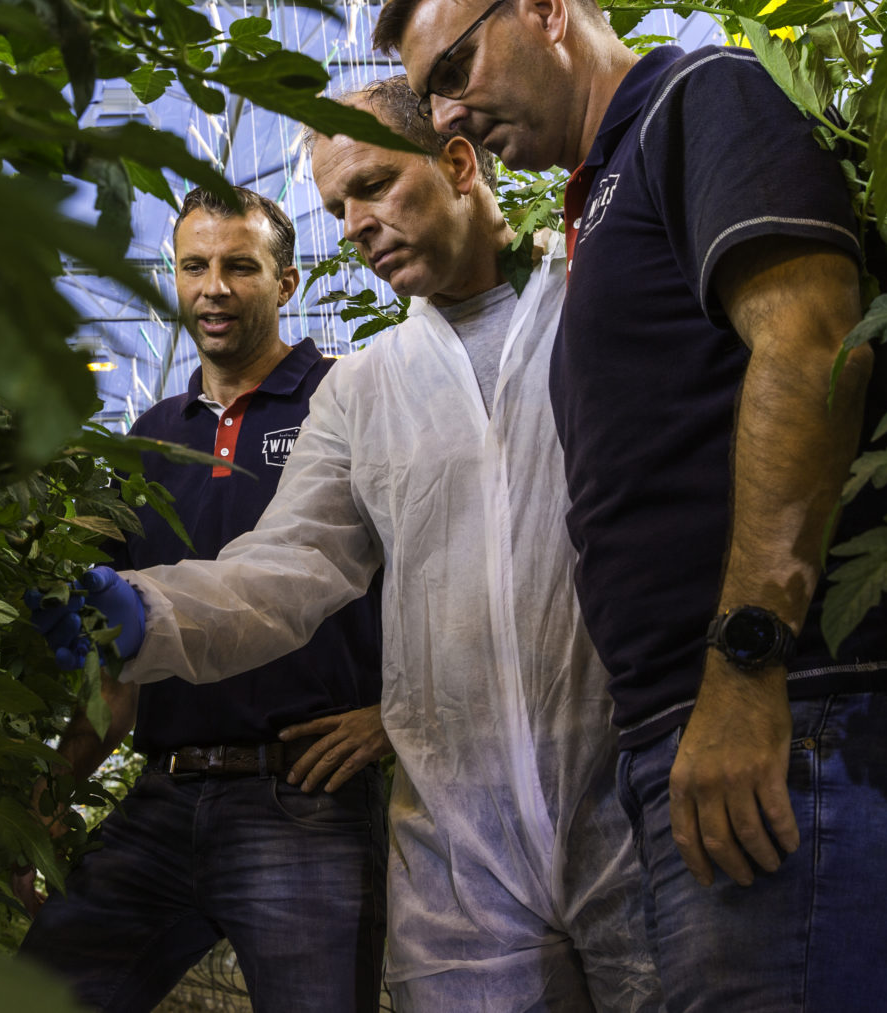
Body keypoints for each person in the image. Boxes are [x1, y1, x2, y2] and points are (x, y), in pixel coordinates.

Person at [373, 0, 887, 1013]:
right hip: (734, 732)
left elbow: (809, 342)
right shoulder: (605, 188)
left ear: (541, 8)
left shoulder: (698, 97)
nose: (446, 118)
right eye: (427, 97)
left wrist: (744, 668)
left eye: (451, 71)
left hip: (806, 720)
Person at [34, 79, 659, 1013]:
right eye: (339, 206)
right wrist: (148, 612)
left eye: (372, 185)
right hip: (462, 841)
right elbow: (291, 564)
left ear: (458, 162)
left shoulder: (595, 301)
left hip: (631, 794)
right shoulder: (366, 391)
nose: (358, 224)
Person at [18, 184, 389, 1013]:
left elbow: (439, 574)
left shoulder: (349, 403)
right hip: (165, 793)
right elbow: (121, 651)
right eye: (194, 266)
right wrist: (45, 798)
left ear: (287, 282)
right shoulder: (150, 439)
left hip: (305, 797)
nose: (213, 286)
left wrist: (394, 715)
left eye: (239, 266)